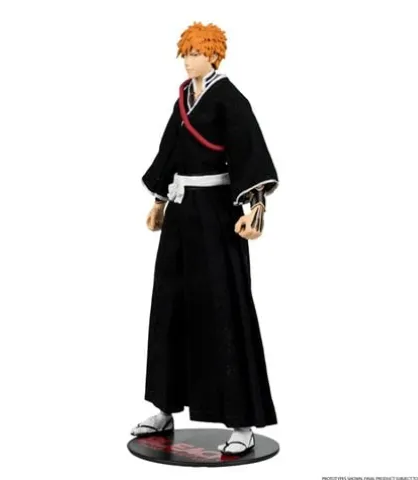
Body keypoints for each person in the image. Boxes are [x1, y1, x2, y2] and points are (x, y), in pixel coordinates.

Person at [131, 22, 279, 456]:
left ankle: (241, 421)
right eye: (185, 53)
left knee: (224, 307)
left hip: (216, 215)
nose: (188, 60)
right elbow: (169, 151)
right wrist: (160, 201)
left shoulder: (230, 99)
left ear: (213, 55)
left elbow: (251, 152)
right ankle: (164, 407)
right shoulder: (184, 99)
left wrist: (255, 208)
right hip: (181, 215)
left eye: (196, 52)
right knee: (170, 305)